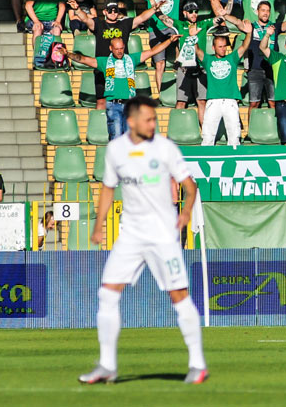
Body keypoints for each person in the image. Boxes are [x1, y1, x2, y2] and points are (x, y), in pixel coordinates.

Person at [80, 97, 208, 386]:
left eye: (154, 119)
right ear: (132, 121)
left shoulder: (165, 148)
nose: (154, 124)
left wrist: (186, 211)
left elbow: (190, 186)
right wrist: (99, 225)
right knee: (107, 293)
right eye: (149, 119)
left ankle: (197, 364)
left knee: (179, 296)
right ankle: (107, 365)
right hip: (131, 234)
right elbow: (108, 189)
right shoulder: (115, 150)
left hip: (163, 234)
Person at [110, 0, 221, 93]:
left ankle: (183, 82)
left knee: (181, 51)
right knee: (160, 64)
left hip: (173, 27)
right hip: (155, 30)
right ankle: (160, 93)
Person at [65, 34, 178, 140]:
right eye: (116, 49)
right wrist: (67, 54)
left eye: (121, 48)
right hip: (113, 105)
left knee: (130, 139)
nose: (119, 51)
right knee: (117, 137)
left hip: (130, 105)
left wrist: (169, 40)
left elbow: (153, 51)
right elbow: (83, 59)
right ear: (111, 48)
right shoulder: (104, 62)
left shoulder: (131, 59)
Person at [72, 0, 160, 111]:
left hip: (121, 70)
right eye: (110, 11)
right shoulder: (99, 24)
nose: (113, 13)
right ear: (104, 12)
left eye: (115, 11)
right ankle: (103, 127)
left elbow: (142, 17)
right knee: (101, 101)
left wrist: (154, 8)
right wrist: (77, 9)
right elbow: (85, 19)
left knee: (124, 101)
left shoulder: (125, 24)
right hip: (102, 68)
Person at [222, 4, 286, 110]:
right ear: (257, 12)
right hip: (255, 69)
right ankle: (251, 127)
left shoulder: (274, 27)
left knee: (273, 102)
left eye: (268, 11)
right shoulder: (251, 27)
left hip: (272, 69)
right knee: (254, 104)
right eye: (263, 10)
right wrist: (225, 15)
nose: (265, 13)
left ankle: (275, 126)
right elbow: (237, 22)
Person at [195, 27, 253, 146]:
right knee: (207, 135)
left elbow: (244, 47)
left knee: (234, 136)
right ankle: (206, 160)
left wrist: (249, 33)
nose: (223, 49)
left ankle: (235, 160)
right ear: (213, 47)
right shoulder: (208, 60)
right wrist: (193, 37)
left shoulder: (232, 58)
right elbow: (197, 51)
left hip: (230, 101)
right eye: (220, 47)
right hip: (213, 101)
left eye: (224, 46)